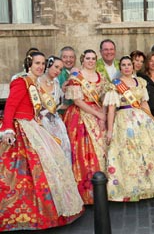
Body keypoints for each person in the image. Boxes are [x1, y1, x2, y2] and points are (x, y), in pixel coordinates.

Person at [0, 51, 83, 231]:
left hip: (33, 126)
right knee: (22, 173)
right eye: (37, 63)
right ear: (29, 64)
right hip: (21, 128)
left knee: (48, 167)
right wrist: (7, 129)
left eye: (42, 63)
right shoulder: (21, 81)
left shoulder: (35, 83)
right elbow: (10, 107)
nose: (40, 66)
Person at [103, 56, 154, 201]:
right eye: (124, 65)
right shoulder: (114, 85)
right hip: (124, 121)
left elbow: (144, 103)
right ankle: (133, 188)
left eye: (129, 64)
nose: (127, 67)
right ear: (120, 68)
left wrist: (152, 121)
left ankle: (152, 184)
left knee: (149, 150)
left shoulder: (140, 82)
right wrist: (109, 130)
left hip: (142, 119)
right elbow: (111, 110)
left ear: (133, 67)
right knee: (129, 152)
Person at [64, 49, 108, 204]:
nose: (90, 61)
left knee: (102, 149)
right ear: (82, 60)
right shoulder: (76, 76)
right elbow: (77, 101)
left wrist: (103, 116)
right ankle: (86, 193)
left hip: (98, 115)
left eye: (93, 58)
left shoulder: (101, 76)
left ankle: (103, 190)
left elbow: (104, 98)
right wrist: (98, 115)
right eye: (88, 58)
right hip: (80, 117)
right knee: (83, 152)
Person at [37, 56, 72, 163]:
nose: (58, 71)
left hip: (56, 121)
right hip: (41, 122)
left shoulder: (56, 83)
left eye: (60, 69)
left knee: (64, 147)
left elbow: (58, 105)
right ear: (48, 65)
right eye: (56, 67)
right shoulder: (36, 81)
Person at [57, 46, 77, 115]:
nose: (68, 60)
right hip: (61, 114)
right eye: (65, 57)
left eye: (71, 57)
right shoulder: (56, 74)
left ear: (75, 59)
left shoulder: (78, 73)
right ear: (60, 59)